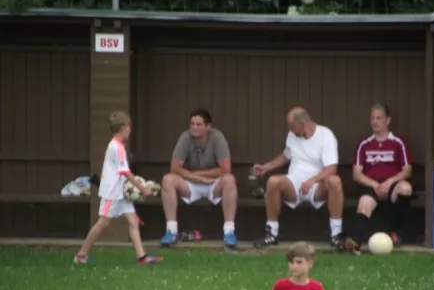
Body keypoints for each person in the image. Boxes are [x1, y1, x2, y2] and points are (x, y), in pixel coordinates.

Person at [74, 112, 163, 265]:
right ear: (122, 128)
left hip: (120, 192)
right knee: (103, 222)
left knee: (133, 220)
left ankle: (141, 257)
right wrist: (143, 188)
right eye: (129, 127)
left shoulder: (116, 145)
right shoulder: (117, 147)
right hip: (112, 192)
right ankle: (81, 255)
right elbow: (125, 172)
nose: (130, 130)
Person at [252, 107, 346, 249]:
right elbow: (286, 156)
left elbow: (332, 168)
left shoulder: (326, 135)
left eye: (292, 127)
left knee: (335, 181)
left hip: (317, 185)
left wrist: (311, 181)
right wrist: (266, 167)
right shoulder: (292, 135)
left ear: (303, 124)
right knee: (273, 182)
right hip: (294, 184)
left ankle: (336, 235)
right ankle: (272, 233)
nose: (291, 130)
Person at [159, 109, 239, 250]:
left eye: (198, 124)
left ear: (208, 126)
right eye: (192, 124)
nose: (194, 127)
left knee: (229, 180)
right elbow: (175, 168)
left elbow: (225, 169)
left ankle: (229, 232)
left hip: (213, 183)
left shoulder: (217, 137)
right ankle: (171, 232)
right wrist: (197, 178)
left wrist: (200, 175)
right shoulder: (185, 137)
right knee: (167, 179)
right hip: (191, 183)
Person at [350, 103, 413, 253]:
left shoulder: (398, 142)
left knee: (406, 189)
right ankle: (354, 244)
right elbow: (356, 174)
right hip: (372, 185)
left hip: (392, 184)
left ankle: (394, 232)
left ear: (388, 120)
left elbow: (407, 170)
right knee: (364, 204)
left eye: (379, 118)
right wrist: (374, 184)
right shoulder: (364, 143)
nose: (375, 122)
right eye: (372, 118)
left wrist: (389, 182)